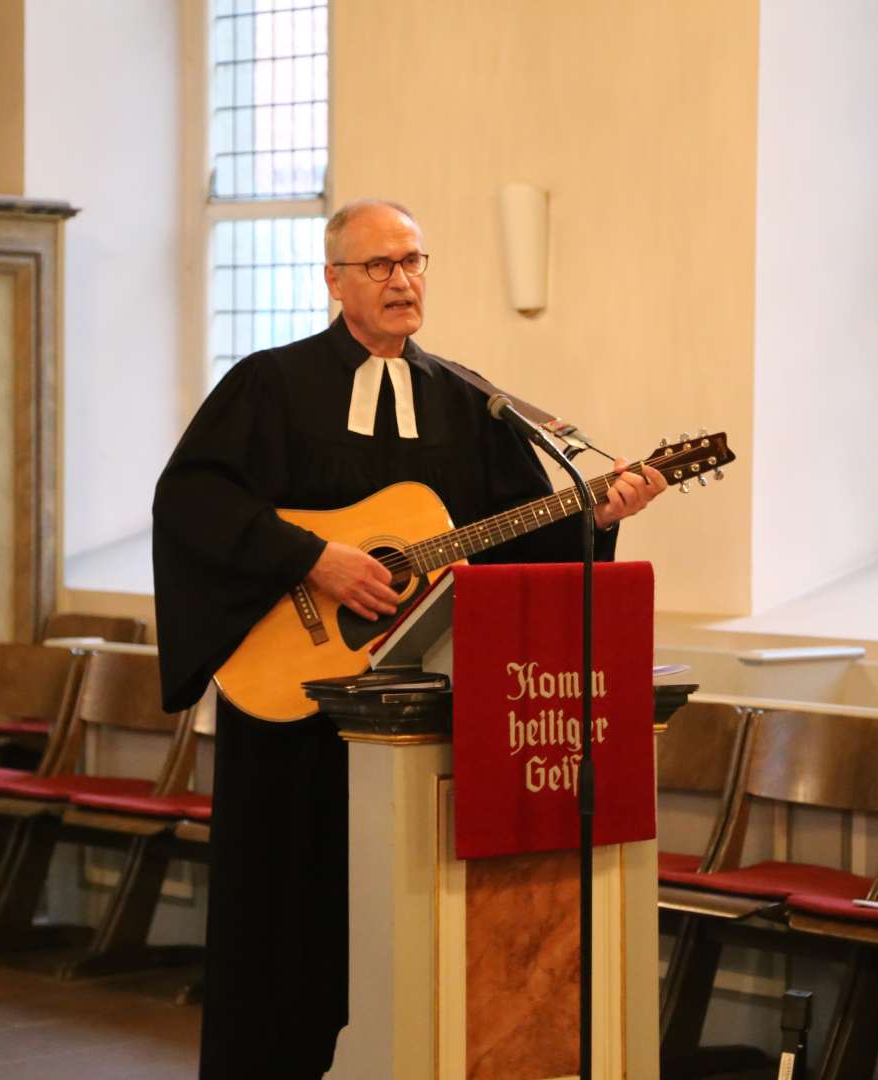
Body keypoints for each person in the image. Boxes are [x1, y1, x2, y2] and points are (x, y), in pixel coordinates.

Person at [151, 200, 666, 1077]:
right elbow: (192, 501)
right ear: (334, 280)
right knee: (290, 926)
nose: (402, 280)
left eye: (414, 261)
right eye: (380, 265)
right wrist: (313, 557)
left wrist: (599, 517)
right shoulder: (270, 385)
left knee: (405, 923)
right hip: (297, 717)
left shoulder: (469, 402)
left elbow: (516, 545)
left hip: (426, 722)